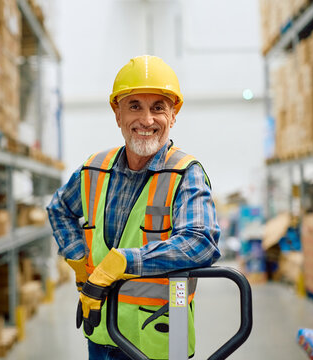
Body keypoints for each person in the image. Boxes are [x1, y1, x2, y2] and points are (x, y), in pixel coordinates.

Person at [47, 55, 221, 360]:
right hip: (101, 333)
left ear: (173, 115)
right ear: (117, 114)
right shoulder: (94, 169)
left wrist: (124, 262)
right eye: (134, 106)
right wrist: (77, 257)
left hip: (159, 341)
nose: (147, 120)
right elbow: (58, 208)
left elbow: (201, 242)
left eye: (158, 108)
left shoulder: (185, 173)